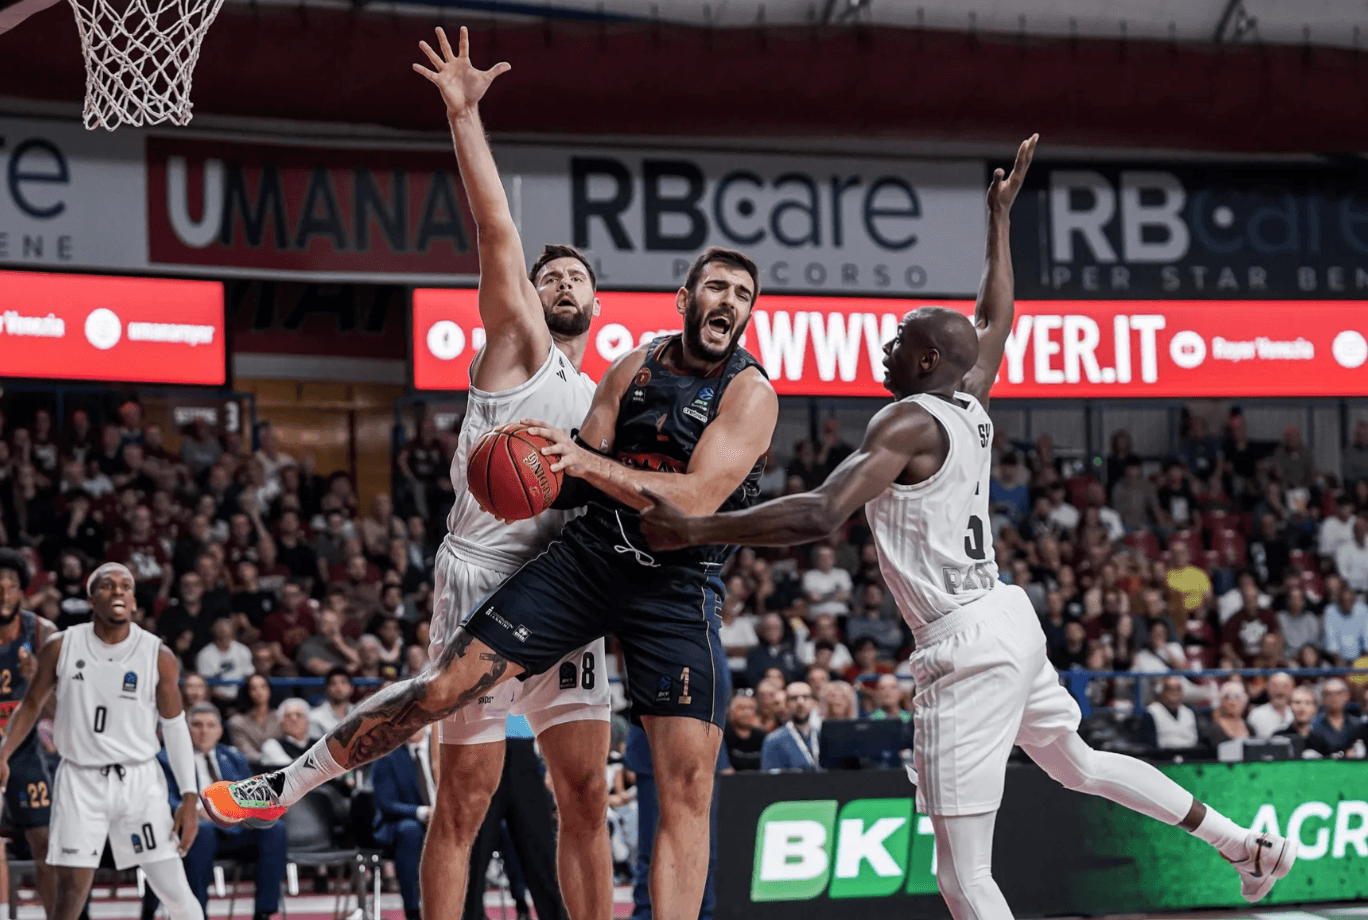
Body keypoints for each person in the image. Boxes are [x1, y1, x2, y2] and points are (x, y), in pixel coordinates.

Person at [637, 137, 1296, 915]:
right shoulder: (968, 397)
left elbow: (820, 513)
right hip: (1007, 620)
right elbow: (995, 316)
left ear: (923, 364)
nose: (886, 345)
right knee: (1078, 762)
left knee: (962, 875)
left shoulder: (905, 423)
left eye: (899, 340)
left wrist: (695, 529)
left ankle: (1242, 846)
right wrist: (998, 220)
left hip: (964, 644)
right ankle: (1242, 844)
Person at [207, 224, 774, 920]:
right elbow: (577, 477)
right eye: (717, 286)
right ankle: (290, 783)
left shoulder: (744, 392)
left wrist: (574, 465)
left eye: (743, 294)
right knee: (450, 735)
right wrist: (528, 473)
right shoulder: (616, 368)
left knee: (634, 790)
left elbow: (684, 501)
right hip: (560, 569)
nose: (729, 300)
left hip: (671, 587)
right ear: (684, 296)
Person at [0, 563, 203, 920]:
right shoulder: (60, 646)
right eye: (107, 586)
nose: (118, 591)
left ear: (135, 601)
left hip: (139, 782)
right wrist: (3, 754)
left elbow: (174, 727)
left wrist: (189, 795)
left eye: (126, 586)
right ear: (91, 598)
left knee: (173, 890)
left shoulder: (159, 655)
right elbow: (30, 705)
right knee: (72, 891)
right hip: (80, 779)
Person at [161, 703, 285, 920]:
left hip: (234, 829)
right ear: (187, 730)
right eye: (197, 725)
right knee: (204, 831)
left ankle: (264, 912)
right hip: (193, 832)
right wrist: (194, 811)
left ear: (220, 730)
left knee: (275, 830)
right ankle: (196, 913)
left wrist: (249, 812)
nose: (204, 731)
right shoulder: (167, 757)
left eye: (211, 725)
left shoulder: (233, 756)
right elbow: (164, 798)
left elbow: (250, 794)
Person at [0, 549, 58, 916]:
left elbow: (60, 711)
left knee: (46, 843)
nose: (3, 593)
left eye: (11, 586)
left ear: (23, 591)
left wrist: (37, 680)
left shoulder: (44, 634)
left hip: (23, 749)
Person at [369, 728, 438, 920]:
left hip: (443, 818)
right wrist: (424, 813)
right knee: (410, 831)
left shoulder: (443, 747)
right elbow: (387, 803)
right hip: (403, 822)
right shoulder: (387, 755)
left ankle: (473, 909)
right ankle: (413, 910)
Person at [759, 681, 818, 772]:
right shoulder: (774, 740)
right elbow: (770, 780)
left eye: (805, 697)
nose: (800, 702)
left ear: (813, 702)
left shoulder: (823, 735)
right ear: (786, 704)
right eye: (794, 698)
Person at [1142, 677, 1200, 752]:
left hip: (1189, 756)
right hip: (1163, 756)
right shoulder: (1152, 712)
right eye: (1170, 690)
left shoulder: (1189, 712)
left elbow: (1199, 740)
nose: (1174, 694)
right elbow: (1148, 743)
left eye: (1177, 690)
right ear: (1163, 692)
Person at [1247, 672, 1295, 739]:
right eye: (1275, 686)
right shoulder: (1256, 715)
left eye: (1285, 686)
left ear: (1292, 689)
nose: (1280, 691)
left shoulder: (1298, 714)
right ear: (1267, 688)